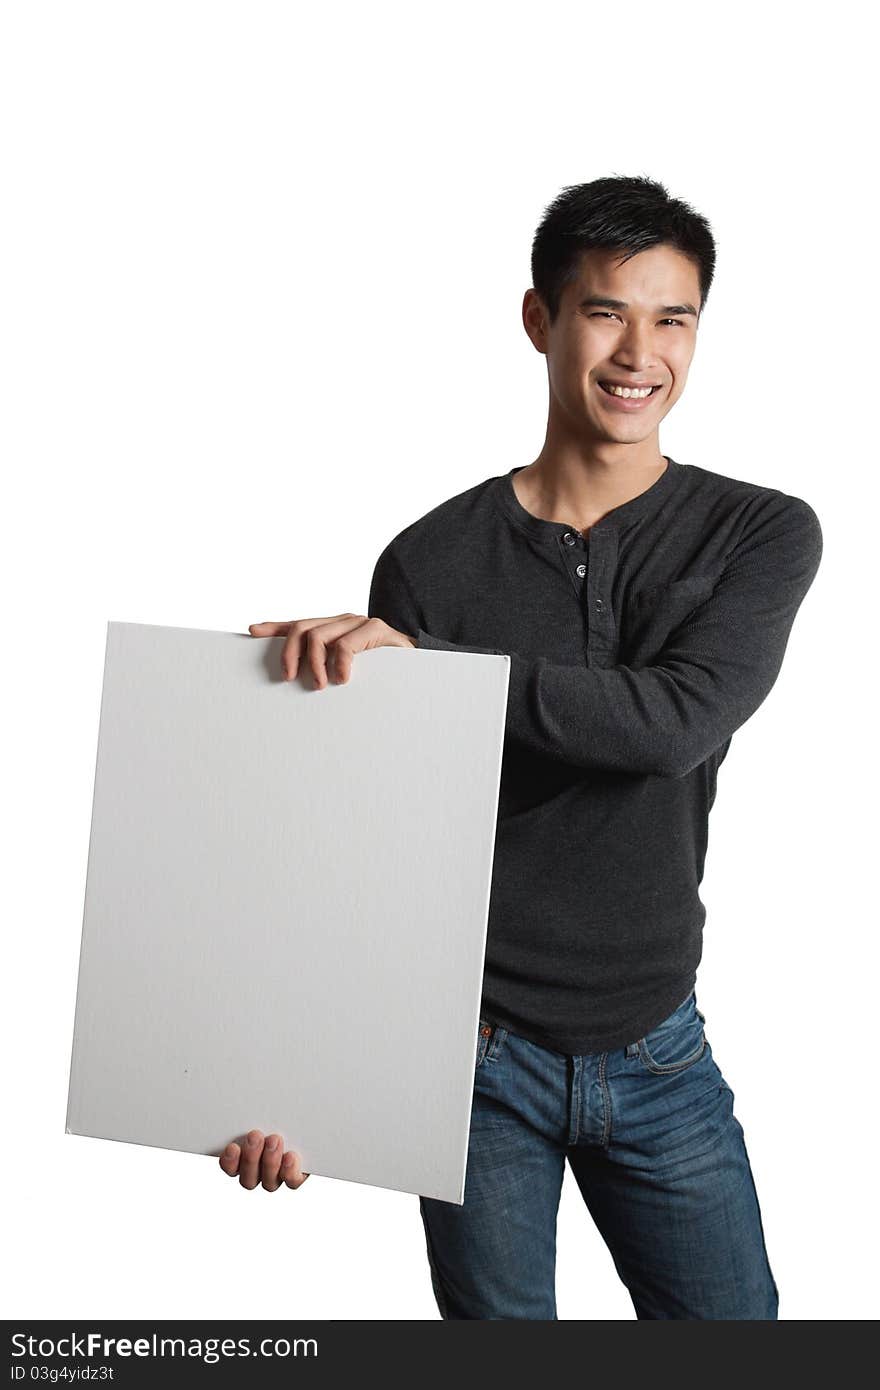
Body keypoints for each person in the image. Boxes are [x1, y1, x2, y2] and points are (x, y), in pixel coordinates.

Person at [221, 175, 823, 1320]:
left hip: (656, 1045)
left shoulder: (760, 530)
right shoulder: (428, 561)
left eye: (673, 317)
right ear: (541, 320)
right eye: (604, 311)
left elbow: (676, 721)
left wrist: (438, 674)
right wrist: (285, 1075)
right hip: (467, 1060)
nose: (638, 351)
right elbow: (376, 847)